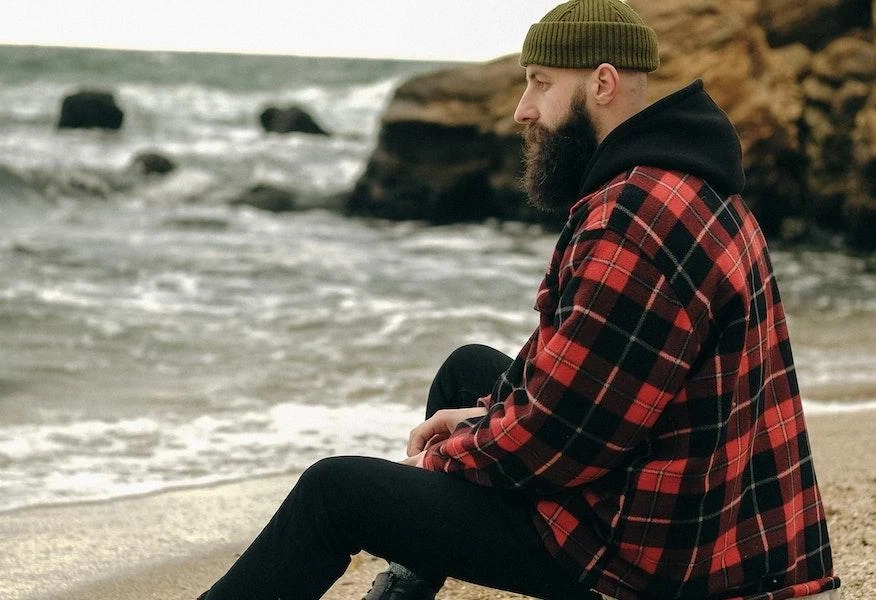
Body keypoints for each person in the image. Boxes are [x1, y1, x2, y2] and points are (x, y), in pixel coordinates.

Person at [196, 1, 841, 598]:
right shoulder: (692, 186)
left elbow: (563, 439)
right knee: (468, 370)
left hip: (655, 557)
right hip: (699, 507)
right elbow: (579, 381)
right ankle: (406, 584)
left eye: (540, 82)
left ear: (602, 84)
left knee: (334, 492)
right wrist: (475, 419)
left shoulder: (633, 219)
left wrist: (445, 455)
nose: (521, 109)